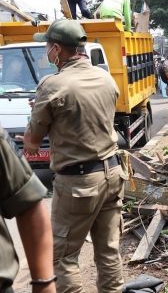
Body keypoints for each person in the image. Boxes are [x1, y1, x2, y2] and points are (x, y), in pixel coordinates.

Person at [17, 19, 126, 292]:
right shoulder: (104, 77)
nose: (47, 52)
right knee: (109, 251)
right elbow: (86, 115)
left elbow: (32, 143)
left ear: (56, 49)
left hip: (79, 183)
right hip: (112, 173)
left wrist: (38, 114)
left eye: (47, 47)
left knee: (63, 257)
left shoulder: (52, 84)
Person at [1, 125, 55, 293]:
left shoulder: (49, 98)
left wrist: (44, 284)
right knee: (107, 252)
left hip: (75, 178)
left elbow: (33, 139)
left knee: (67, 254)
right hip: (108, 171)